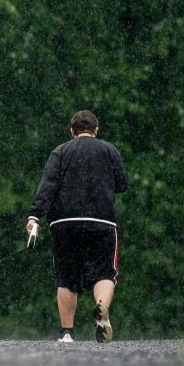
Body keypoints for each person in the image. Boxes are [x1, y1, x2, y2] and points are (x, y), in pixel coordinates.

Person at [25, 110, 128, 343]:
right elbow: (122, 184)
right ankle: (101, 309)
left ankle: (66, 333)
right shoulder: (109, 150)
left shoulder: (60, 151)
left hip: (64, 223)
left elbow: (47, 186)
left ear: (72, 131)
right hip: (101, 222)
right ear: (96, 130)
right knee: (104, 273)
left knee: (66, 278)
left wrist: (34, 216)